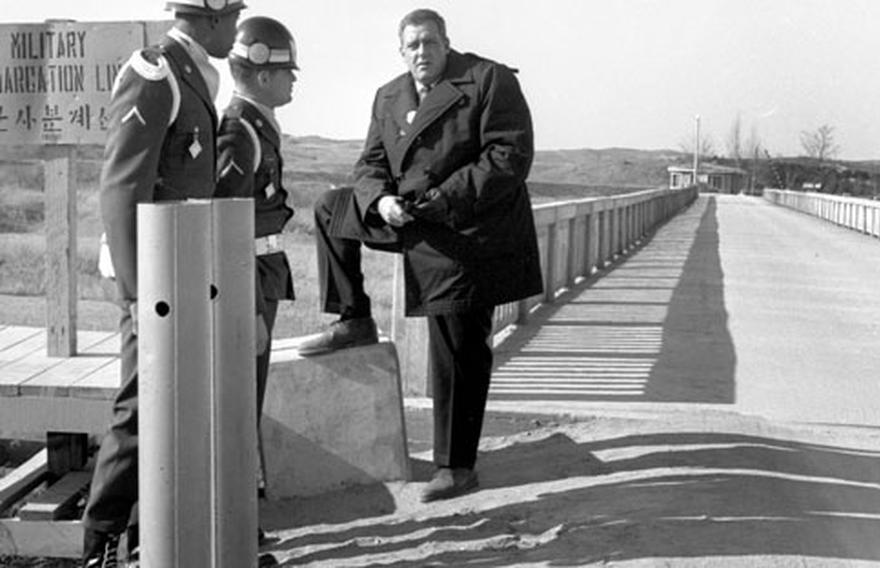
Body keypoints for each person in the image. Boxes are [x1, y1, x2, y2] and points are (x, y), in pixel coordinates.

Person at [296, 8, 542, 502]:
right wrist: (380, 201)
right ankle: (353, 316)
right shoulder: (389, 95)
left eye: (430, 43)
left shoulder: (488, 80)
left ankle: (457, 466)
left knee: (457, 341)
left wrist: (441, 201)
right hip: (404, 214)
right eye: (412, 46)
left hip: (466, 227)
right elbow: (369, 163)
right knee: (331, 208)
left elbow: (508, 157)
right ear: (401, 51)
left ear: (446, 43)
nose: (421, 53)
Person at [83, 1, 245, 565]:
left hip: (182, 269)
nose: (237, 27)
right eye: (234, 16)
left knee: (178, 402)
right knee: (141, 404)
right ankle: (101, 540)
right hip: (152, 276)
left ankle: (159, 539)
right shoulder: (157, 74)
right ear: (211, 17)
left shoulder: (192, 72)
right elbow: (122, 186)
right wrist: (138, 291)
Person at [214, 15, 297, 493]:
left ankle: (241, 516)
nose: (293, 83)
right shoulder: (239, 132)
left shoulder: (257, 128)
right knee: (240, 404)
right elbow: (227, 227)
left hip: (262, 273)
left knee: (250, 398)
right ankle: (237, 522)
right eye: (288, 73)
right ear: (264, 75)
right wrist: (247, 307)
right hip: (248, 280)